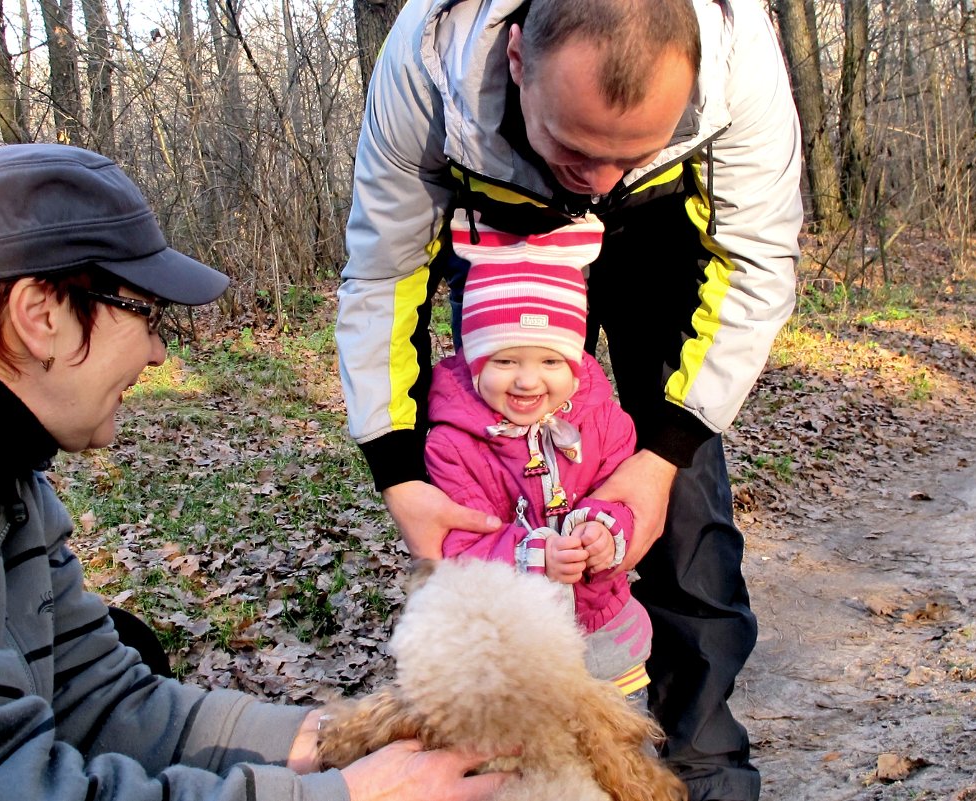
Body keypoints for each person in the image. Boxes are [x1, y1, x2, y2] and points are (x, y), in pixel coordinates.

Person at [0, 143, 508, 801]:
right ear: (41, 316)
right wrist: (347, 796)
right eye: (147, 314)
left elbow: (104, 701)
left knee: (132, 646)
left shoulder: (4, 470)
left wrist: (349, 735)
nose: (157, 351)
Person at [333, 0, 804, 798]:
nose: (598, 185)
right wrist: (398, 469)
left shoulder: (740, 56)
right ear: (515, 58)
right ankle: (535, 765)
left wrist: (661, 456)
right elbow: (383, 272)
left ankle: (700, 767)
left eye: (627, 152)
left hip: (667, 221)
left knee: (679, 511)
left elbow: (757, 265)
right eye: (577, 147)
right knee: (510, 488)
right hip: (503, 227)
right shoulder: (425, 61)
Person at [425, 210, 651, 698]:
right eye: (505, 360)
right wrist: (533, 557)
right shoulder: (454, 444)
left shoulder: (605, 422)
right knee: (527, 759)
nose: (528, 380)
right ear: (475, 360)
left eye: (550, 360)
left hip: (605, 633)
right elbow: (459, 548)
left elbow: (626, 500)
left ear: (575, 362)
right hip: (510, 648)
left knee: (622, 750)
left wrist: (603, 531)